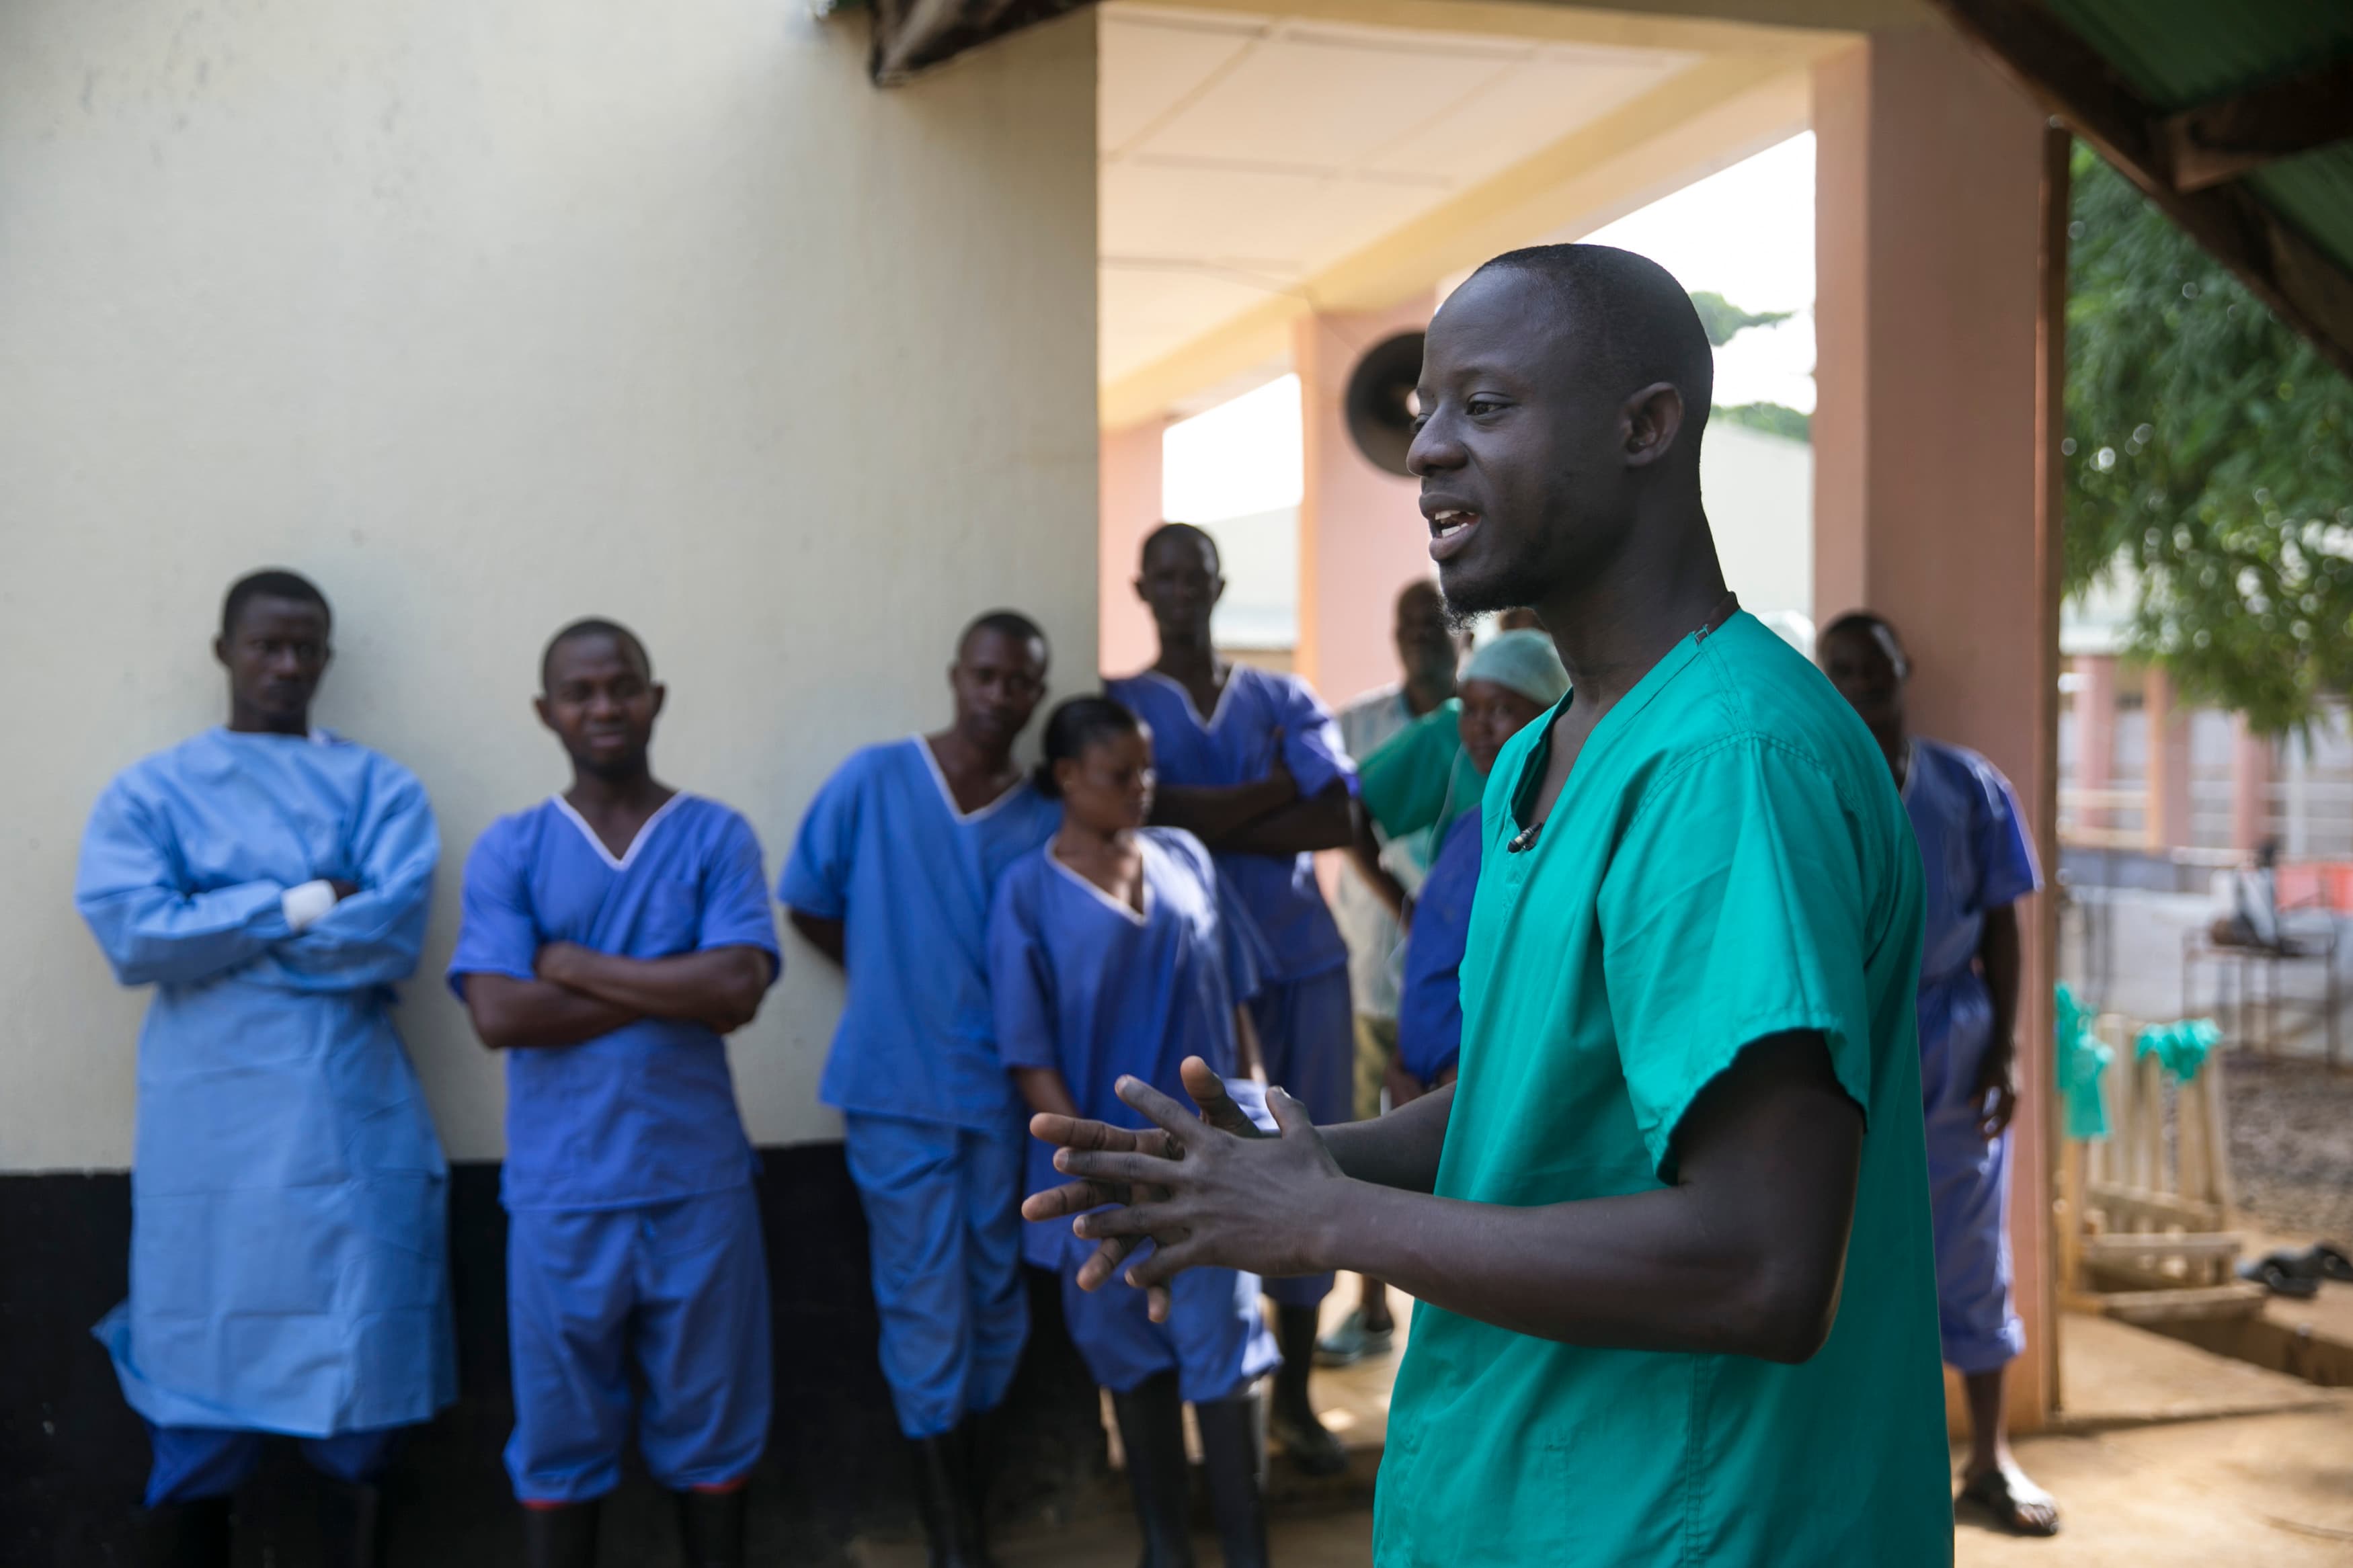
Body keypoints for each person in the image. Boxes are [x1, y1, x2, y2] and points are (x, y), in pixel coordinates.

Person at [1025, 246, 1954, 1565]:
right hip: (1520, 1499)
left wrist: (1329, 1220)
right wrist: (1292, 1159)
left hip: (1684, 1523)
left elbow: (1760, 1262)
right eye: (1423, 414)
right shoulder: (1542, 752)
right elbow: (1527, 1104)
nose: (1429, 455)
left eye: (1487, 405)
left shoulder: (1729, 762)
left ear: (1646, 425)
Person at [75, 569, 452, 1567]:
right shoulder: (153, 791)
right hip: (208, 1136)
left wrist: (216, 923)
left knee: (358, 1373)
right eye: (266, 645)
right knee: (196, 1386)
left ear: (327, 658)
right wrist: (294, 903)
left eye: (306, 646)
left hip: (345, 1122)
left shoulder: (383, 789)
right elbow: (133, 934)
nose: (286, 665)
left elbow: (384, 935)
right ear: (223, 651)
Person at [450, 619, 781, 1568]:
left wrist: (575, 964)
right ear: (545, 711)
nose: (604, 707)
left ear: (656, 697)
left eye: (622, 686)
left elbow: (734, 993)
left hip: (697, 1185)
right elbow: (499, 1015)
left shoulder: (714, 833)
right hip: (564, 1192)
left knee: (715, 1425)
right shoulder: (512, 848)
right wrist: (667, 981)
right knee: (559, 1435)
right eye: (580, 691)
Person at [779, 612, 1059, 1567]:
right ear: (955, 676)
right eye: (984, 675)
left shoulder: (1042, 815)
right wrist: (890, 975)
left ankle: (970, 1511)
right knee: (925, 1306)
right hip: (896, 1090)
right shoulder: (874, 779)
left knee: (993, 1299)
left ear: (1036, 693)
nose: (998, 695)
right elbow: (808, 900)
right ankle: (953, 1540)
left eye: (1018, 682)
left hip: (996, 1095)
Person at [988, 698, 1279, 1568]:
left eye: (1148, 769)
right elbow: (1028, 1052)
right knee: (1129, 1355)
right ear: (1067, 778)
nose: (1142, 787)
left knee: (1224, 1353)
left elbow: (1234, 999)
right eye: (1121, 774)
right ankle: (1166, 1549)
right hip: (1109, 1178)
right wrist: (1094, 1160)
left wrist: (1254, 1108)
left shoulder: (1184, 857)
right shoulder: (1028, 894)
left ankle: (1248, 1551)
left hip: (1210, 1165)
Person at [1104, 525, 1358, 1475]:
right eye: (1161, 574)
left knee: (1322, 1152)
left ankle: (1294, 1399)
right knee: (1208, 1160)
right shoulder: (1119, 704)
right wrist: (1262, 793)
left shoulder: (1283, 694)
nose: (1179, 589)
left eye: (1194, 574)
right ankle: (1214, 1400)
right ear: (1141, 587)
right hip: (1197, 982)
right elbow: (1139, 810)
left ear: (1218, 584)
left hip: (1301, 961)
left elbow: (1335, 811)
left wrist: (1190, 810)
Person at [1818, 611, 2059, 1537]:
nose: (1861, 684)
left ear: (1904, 670)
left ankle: (1989, 1458)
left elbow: (2003, 923)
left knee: (1968, 1240)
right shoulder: (1815, 785)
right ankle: (1853, 1461)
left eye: (1874, 668)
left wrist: (2005, 1051)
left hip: (1951, 1038)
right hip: (1847, 1038)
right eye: (1840, 670)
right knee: (1844, 1249)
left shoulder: (1970, 786)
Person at [1322, 579, 1464, 1366]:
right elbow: (1339, 817)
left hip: (1458, 986)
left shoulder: (1487, 719)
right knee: (1367, 1132)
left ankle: (1442, 1310)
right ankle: (1371, 1306)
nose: (1420, 634)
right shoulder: (1358, 723)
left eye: (1434, 620)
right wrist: (1405, 904)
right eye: (1406, 621)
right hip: (1375, 970)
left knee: (1450, 1142)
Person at [1386, 630, 1569, 1102]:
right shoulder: (1473, 827)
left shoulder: (1554, 833)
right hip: (1417, 1085)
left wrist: (1456, 1083)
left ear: (1552, 714)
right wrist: (1403, 1063)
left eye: (1502, 710)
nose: (1479, 729)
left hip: (1476, 1093)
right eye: (1469, 710)